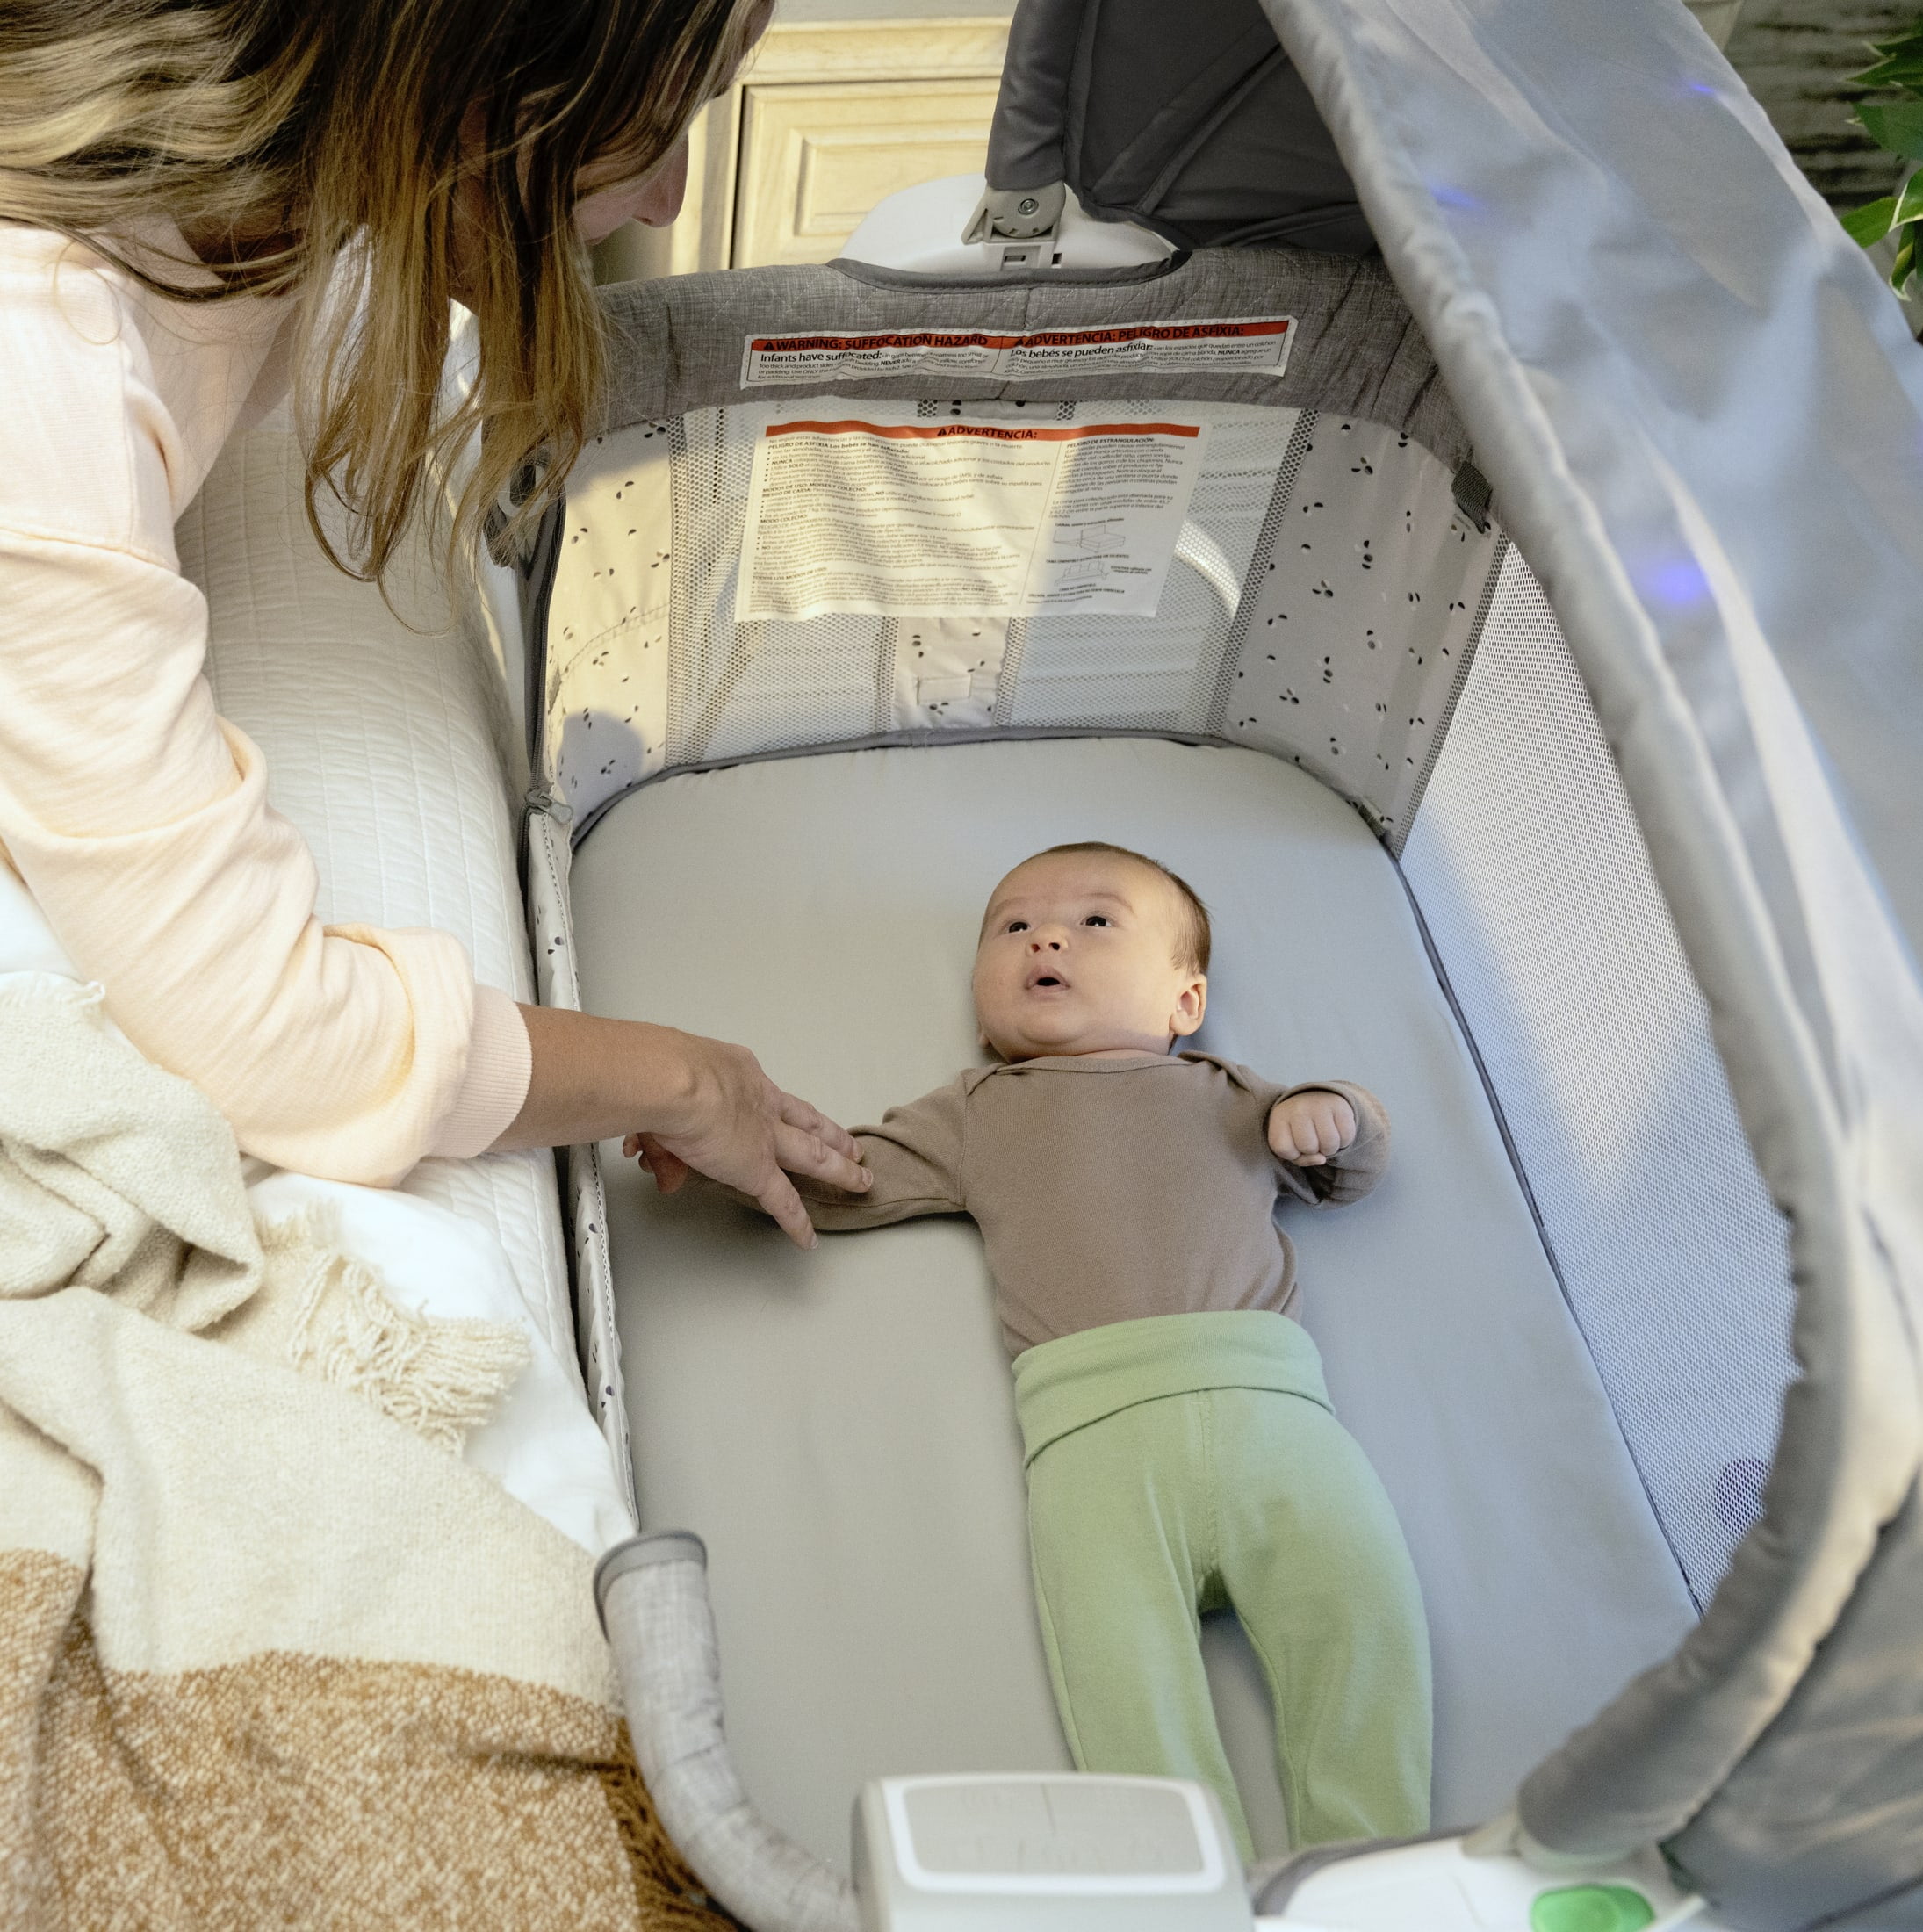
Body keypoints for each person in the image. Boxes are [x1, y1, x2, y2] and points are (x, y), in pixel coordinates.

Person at [0, 0, 866, 1231]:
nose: (670, 196)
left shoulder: (268, 157)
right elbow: (272, 1039)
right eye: (657, 128)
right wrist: (686, 1081)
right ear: (481, 102)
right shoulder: (45, 360)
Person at [645, 840, 1432, 1857]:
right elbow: (848, 1175)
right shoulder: (979, 1112)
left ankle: (1373, 1868)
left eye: (1095, 921)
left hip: (1272, 1417)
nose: (1046, 938)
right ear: (983, 1014)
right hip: (1095, 1443)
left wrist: (1338, 1114)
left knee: (1362, 1620)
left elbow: (1346, 1170)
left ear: (1185, 1000)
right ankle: (1189, 1886)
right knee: (1123, 1685)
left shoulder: (1231, 1094)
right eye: (1013, 927)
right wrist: (727, 1154)